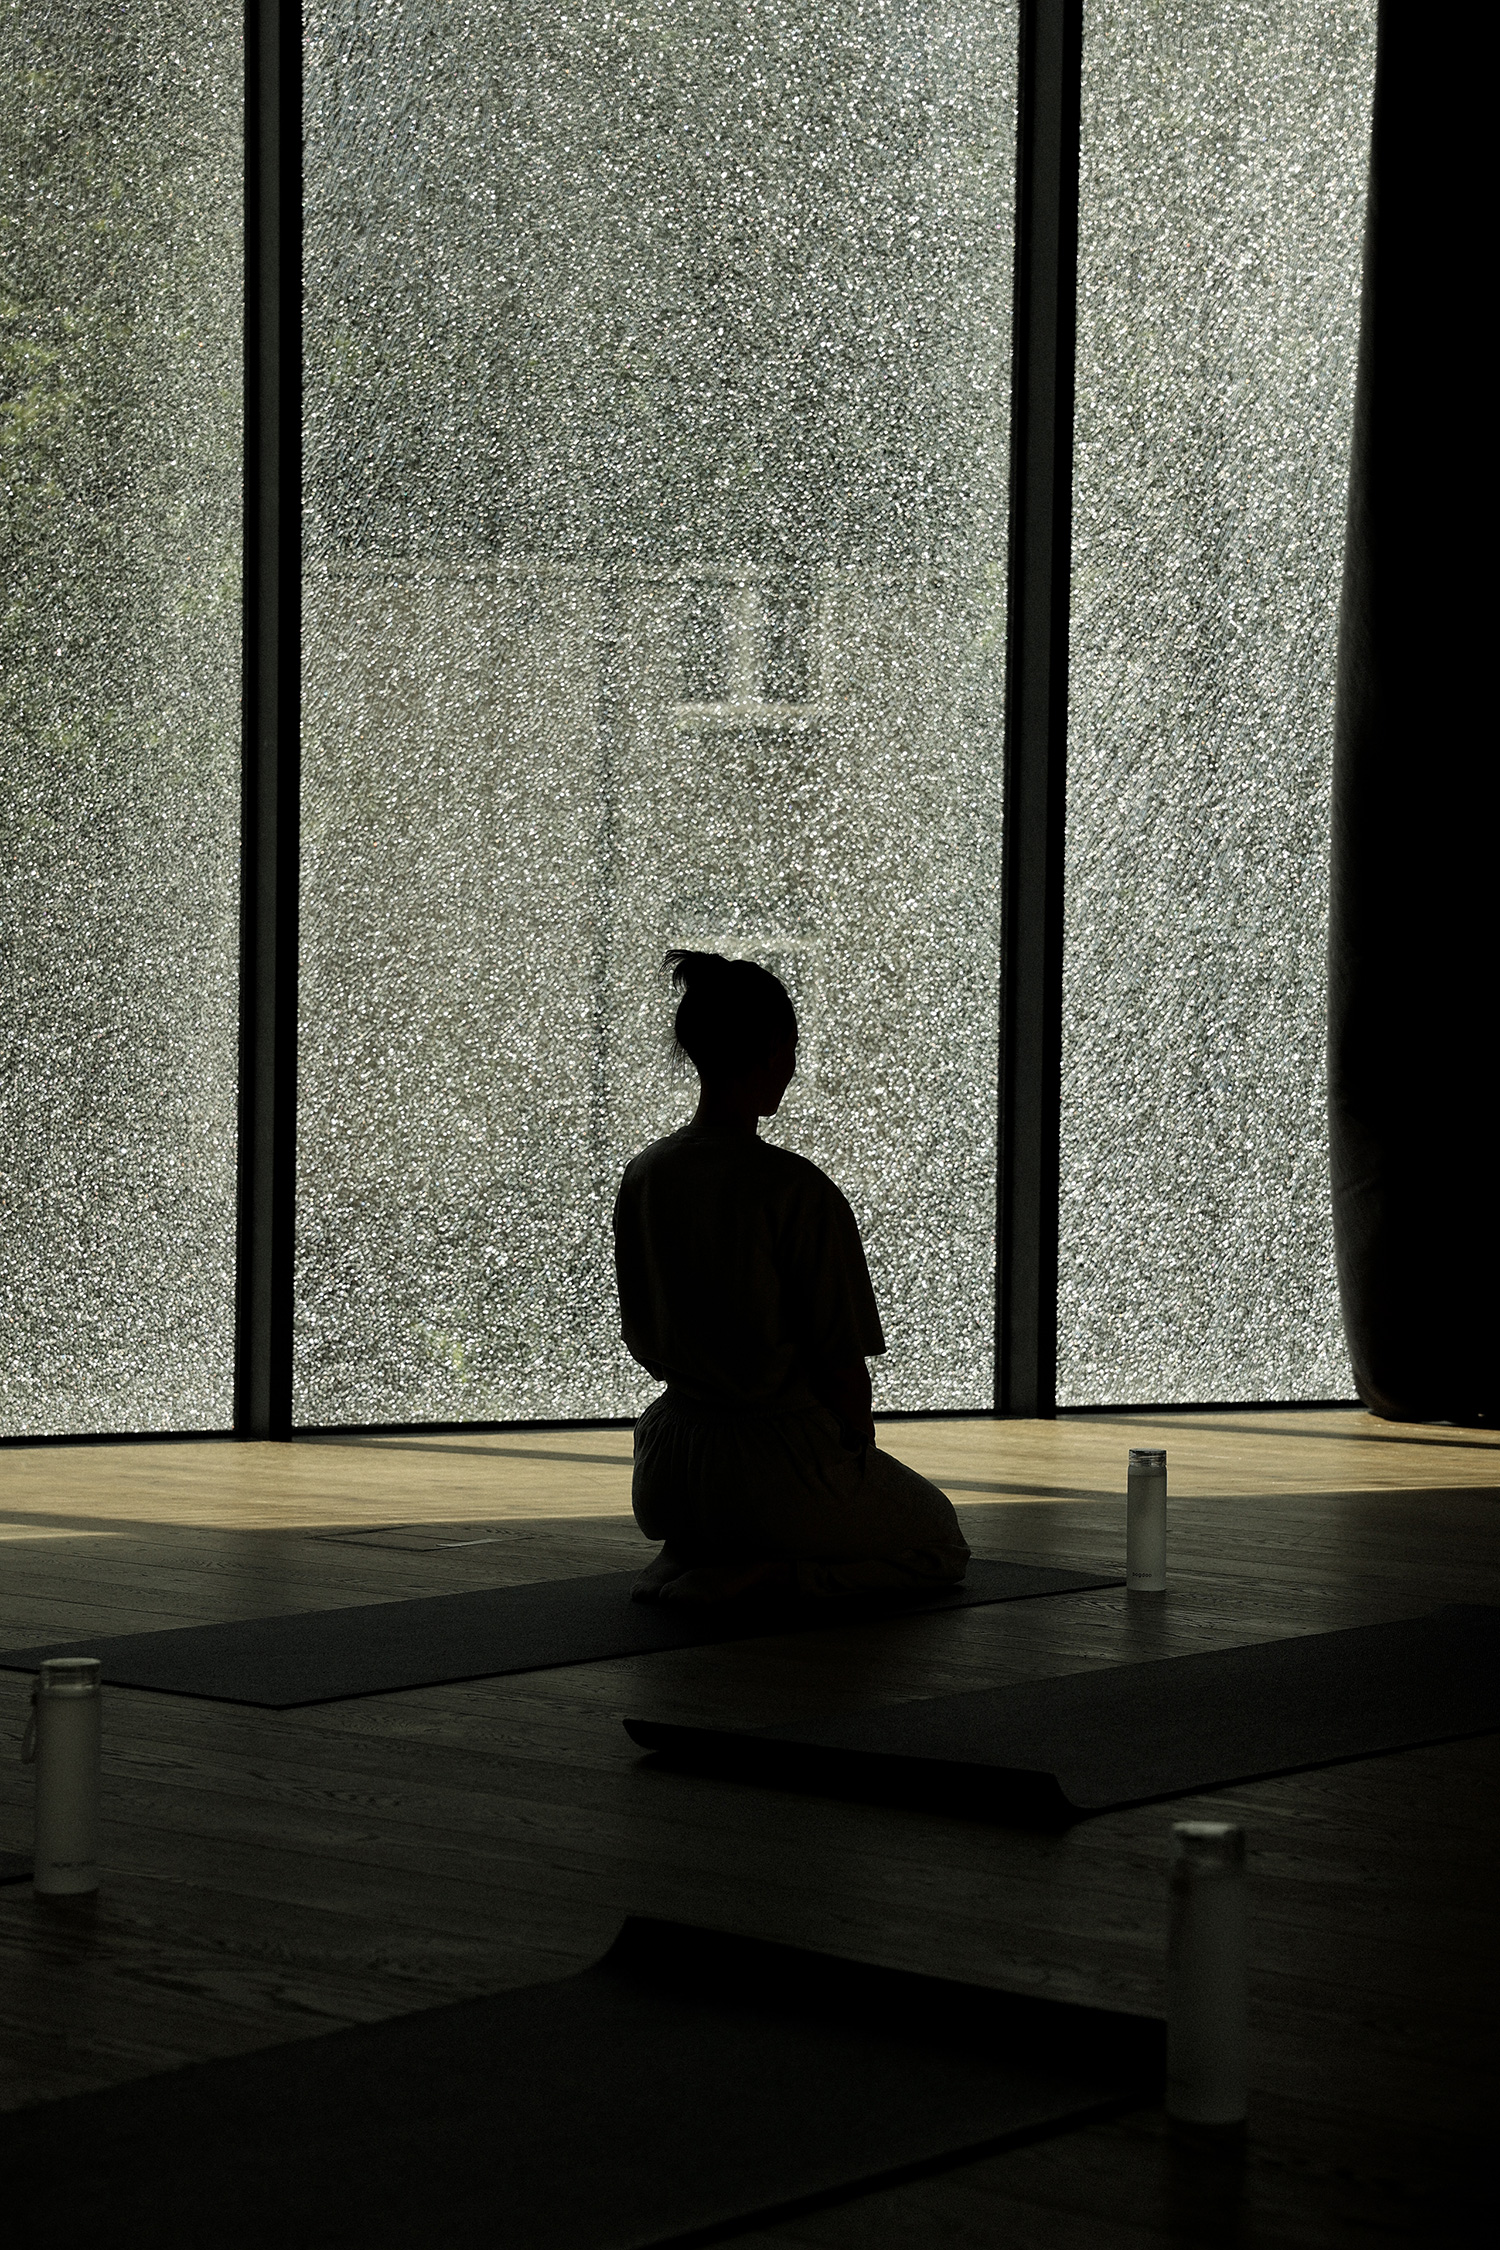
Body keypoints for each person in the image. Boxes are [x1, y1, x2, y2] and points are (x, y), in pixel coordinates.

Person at [613, 950, 971, 1603]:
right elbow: (840, 1370)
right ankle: (770, 1573)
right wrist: (852, 1465)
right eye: (793, 1047)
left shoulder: (645, 1174)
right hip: (771, 1464)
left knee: (765, 1508)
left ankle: (697, 1548)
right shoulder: (794, 1191)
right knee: (939, 1540)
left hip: (669, 1465)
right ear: (776, 1048)